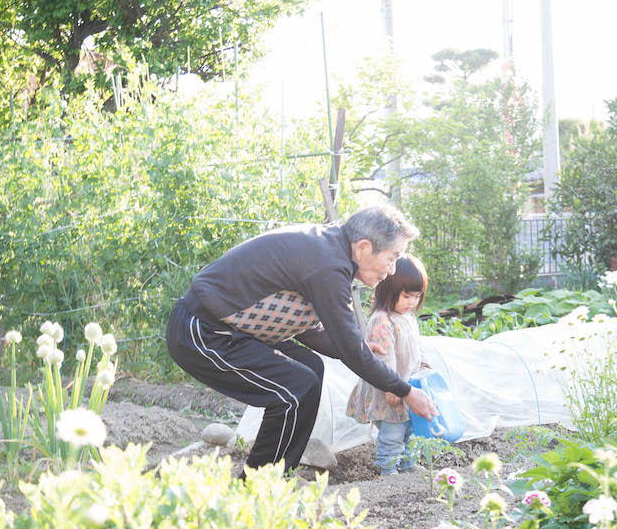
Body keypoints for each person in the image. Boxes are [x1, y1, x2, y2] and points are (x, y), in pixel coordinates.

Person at [166, 204, 438, 476]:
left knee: (310, 369)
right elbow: (350, 350)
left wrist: (357, 347)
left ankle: (281, 473)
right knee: (293, 389)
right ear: (364, 247)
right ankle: (258, 484)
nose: (391, 271)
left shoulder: (330, 251)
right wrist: (405, 390)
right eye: (392, 258)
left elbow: (313, 331)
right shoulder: (328, 265)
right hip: (203, 329)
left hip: (236, 327)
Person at [346, 255, 431, 475]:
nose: (411, 302)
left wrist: (424, 365)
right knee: (393, 434)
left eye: (416, 296)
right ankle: (389, 471)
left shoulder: (408, 316)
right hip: (389, 391)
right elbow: (384, 357)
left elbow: (417, 345)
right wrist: (390, 386)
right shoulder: (382, 319)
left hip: (408, 387)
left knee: (411, 431)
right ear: (388, 290)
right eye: (406, 296)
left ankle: (409, 465)